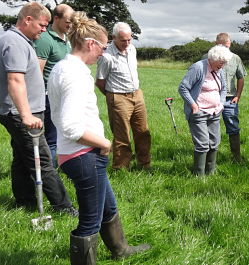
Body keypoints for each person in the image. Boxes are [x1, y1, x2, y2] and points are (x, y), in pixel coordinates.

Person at [47, 12, 150, 264]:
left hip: (79, 154)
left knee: (108, 208)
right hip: (83, 155)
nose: (103, 53)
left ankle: (121, 249)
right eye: (102, 47)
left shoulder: (64, 66)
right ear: (91, 44)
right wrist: (104, 143)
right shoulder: (74, 74)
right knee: (89, 222)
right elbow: (71, 126)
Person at [0, 2, 77, 216]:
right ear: (27, 19)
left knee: (22, 159)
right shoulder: (14, 43)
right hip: (21, 113)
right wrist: (26, 114)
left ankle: (24, 201)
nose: (43, 29)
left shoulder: (21, 41)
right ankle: (64, 207)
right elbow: (15, 80)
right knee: (44, 161)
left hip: (24, 112)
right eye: (41, 24)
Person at [96, 22, 151, 170]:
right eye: (123, 40)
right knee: (122, 136)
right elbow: (100, 81)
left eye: (129, 39)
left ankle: (144, 164)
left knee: (143, 132)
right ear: (113, 37)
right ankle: (121, 168)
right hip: (118, 97)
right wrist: (112, 97)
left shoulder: (132, 49)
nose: (127, 43)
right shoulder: (106, 56)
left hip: (137, 94)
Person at [178, 45, 233, 176]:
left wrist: (220, 103)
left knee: (214, 143)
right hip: (199, 112)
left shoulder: (219, 69)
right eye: (221, 63)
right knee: (202, 144)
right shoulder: (198, 68)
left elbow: (224, 88)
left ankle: (211, 172)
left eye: (224, 63)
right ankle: (199, 175)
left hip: (215, 112)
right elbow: (183, 88)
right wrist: (193, 105)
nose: (223, 66)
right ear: (212, 59)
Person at [34, 3, 74, 167]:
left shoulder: (67, 40)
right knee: (51, 138)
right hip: (48, 97)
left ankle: (56, 169)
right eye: (68, 21)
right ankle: (48, 173)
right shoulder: (45, 39)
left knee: (61, 136)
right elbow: (37, 71)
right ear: (56, 18)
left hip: (63, 95)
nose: (70, 24)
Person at [202, 33, 247, 161]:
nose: (225, 49)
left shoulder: (236, 58)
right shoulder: (206, 58)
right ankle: (209, 157)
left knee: (233, 126)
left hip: (229, 99)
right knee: (209, 126)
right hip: (211, 98)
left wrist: (237, 95)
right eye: (222, 46)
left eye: (227, 46)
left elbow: (241, 77)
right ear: (216, 45)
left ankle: (236, 156)